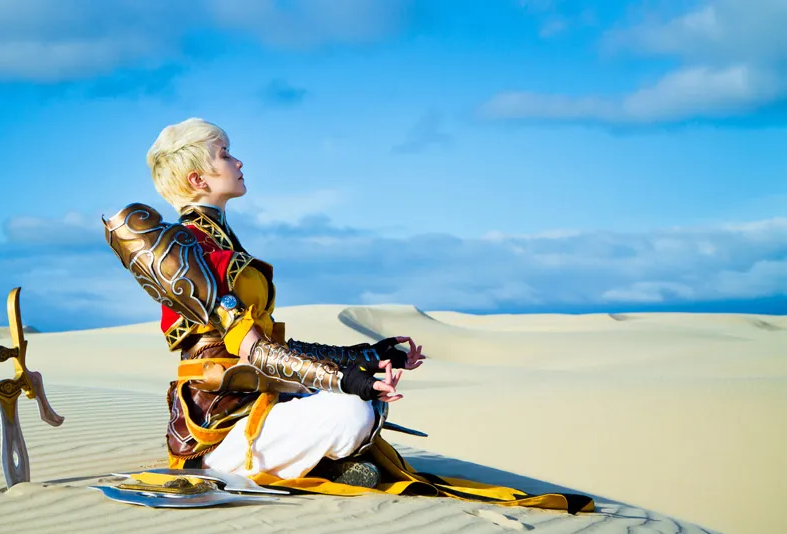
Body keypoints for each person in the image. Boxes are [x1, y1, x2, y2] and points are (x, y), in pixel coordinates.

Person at [103, 118, 593, 512]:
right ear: (198, 179)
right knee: (352, 408)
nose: (239, 161)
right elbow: (255, 352)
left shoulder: (222, 243)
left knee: (366, 405)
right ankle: (243, 468)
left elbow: (277, 349)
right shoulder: (189, 251)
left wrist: (366, 355)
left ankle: (317, 461)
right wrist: (346, 380)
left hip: (258, 398)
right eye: (225, 154)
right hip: (220, 425)